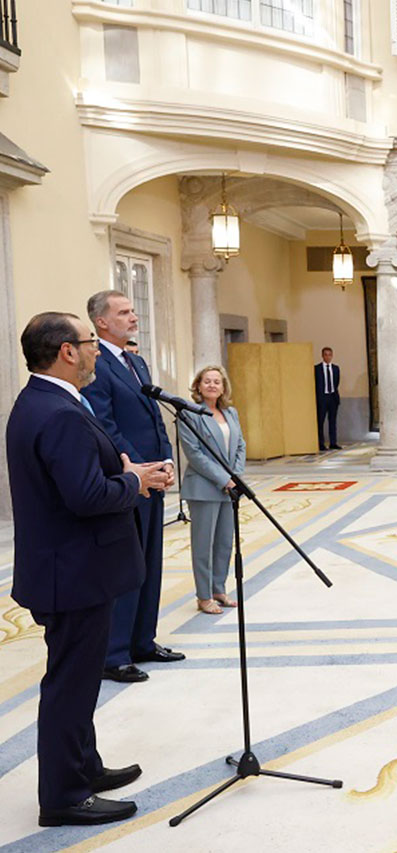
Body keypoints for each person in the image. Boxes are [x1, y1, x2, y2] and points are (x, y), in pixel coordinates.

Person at [8, 312, 169, 826]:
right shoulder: (56, 412)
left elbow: (83, 480)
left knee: (76, 682)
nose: (98, 350)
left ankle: (86, 768)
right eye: (90, 342)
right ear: (66, 352)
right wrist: (134, 483)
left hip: (72, 568)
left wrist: (126, 473)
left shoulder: (48, 402)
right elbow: (86, 496)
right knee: (69, 687)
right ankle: (64, 796)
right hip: (73, 573)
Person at [82, 290, 183, 684]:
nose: (133, 317)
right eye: (123, 312)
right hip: (128, 479)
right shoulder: (97, 364)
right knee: (126, 568)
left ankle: (143, 640)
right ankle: (115, 652)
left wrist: (167, 459)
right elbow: (105, 426)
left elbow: (154, 416)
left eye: (132, 310)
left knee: (151, 563)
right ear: (101, 322)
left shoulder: (136, 362)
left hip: (153, 476)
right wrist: (139, 469)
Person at [179, 365, 248, 615]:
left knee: (224, 543)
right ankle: (204, 595)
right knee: (203, 545)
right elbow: (195, 455)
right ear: (198, 386)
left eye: (216, 382)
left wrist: (236, 477)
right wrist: (225, 479)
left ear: (223, 387)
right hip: (203, 488)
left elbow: (240, 444)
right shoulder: (189, 414)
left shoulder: (231, 413)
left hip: (229, 488)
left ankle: (219, 588)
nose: (211, 385)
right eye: (206, 381)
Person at [314, 346, 341, 451]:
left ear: (332, 356)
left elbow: (336, 382)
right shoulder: (317, 369)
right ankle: (320, 443)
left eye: (330, 355)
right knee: (320, 421)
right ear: (322, 356)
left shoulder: (335, 368)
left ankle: (333, 442)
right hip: (322, 398)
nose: (328, 357)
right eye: (325, 354)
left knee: (332, 421)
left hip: (332, 397)